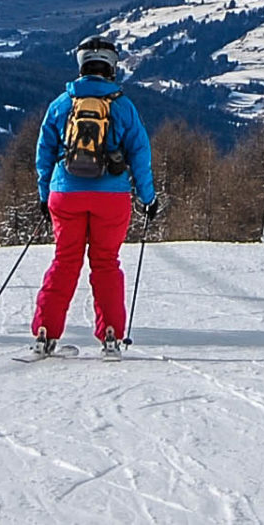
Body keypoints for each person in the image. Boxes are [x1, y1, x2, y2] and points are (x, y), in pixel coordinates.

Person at [30, 34, 159, 356]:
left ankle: (46, 332)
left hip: (66, 192)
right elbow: (140, 154)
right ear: (112, 67)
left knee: (64, 260)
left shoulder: (61, 104)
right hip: (111, 197)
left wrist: (45, 194)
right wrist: (148, 197)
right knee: (106, 263)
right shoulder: (124, 106)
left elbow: (44, 152)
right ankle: (111, 334)